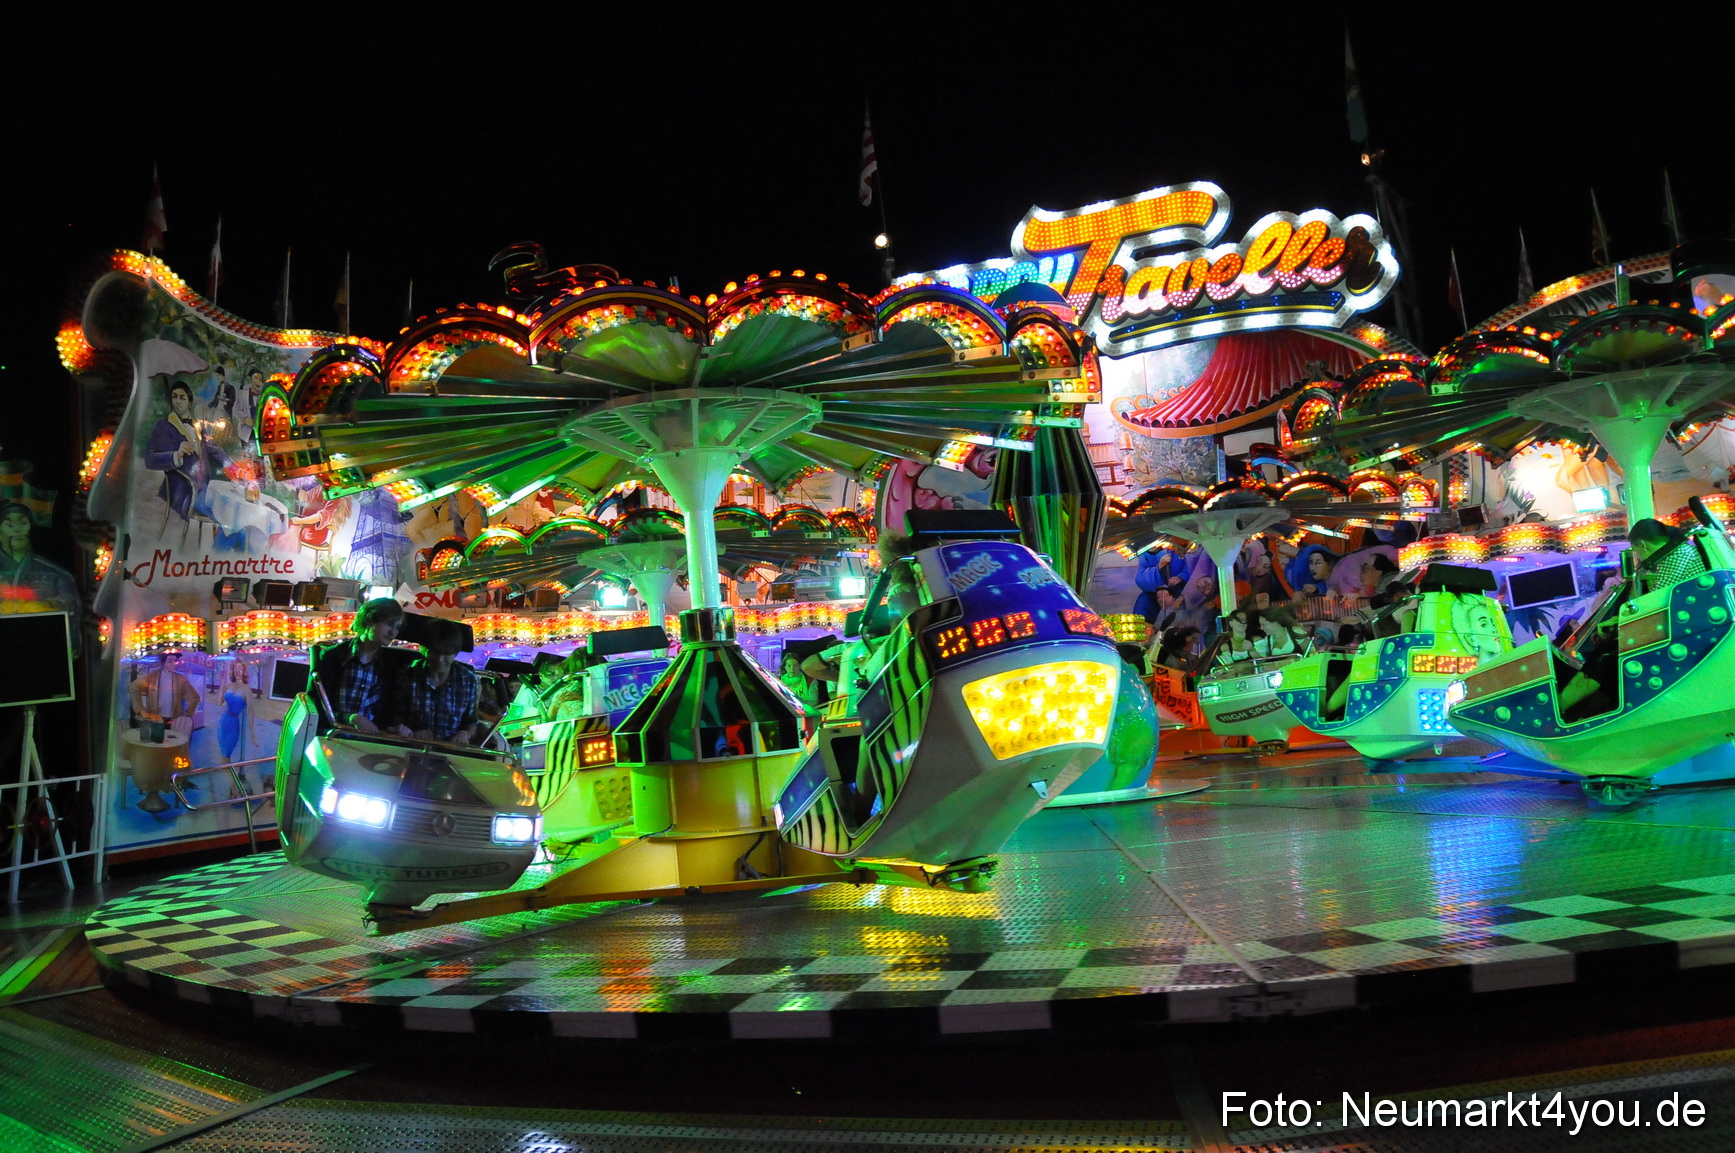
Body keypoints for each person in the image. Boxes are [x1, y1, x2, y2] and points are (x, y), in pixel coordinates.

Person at [1559, 519, 1710, 714]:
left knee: (1608, 656)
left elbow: (1654, 605)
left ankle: (1563, 707)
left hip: (1686, 629)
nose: (1638, 556)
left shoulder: (1676, 557)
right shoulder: (1681, 552)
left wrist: (1616, 622)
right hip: (1686, 622)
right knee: (1610, 654)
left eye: (1636, 551)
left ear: (1642, 545)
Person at [312, 597, 405, 731]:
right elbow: (317, 704)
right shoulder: (334, 656)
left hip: (369, 739)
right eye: (389, 624)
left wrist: (390, 727)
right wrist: (349, 718)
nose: (393, 632)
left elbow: (387, 710)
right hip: (333, 734)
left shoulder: (390, 665)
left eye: (397, 627)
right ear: (369, 621)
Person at [144, 379, 231, 522]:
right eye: (174, 396)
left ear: (189, 402)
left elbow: (216, 451)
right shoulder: (162, 426)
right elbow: (149, 459)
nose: (177, 401)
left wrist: (235, 468)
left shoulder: (198, 427)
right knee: (226, 517)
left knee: (229, 513)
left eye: (182, 398)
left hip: (204, 490)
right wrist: (175, 455)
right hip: (183, 491)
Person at [395, 618, 481, 744]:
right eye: (435, 652)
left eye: (446, 654)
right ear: (424, 649)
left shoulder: (468, 680)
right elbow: (396, 716)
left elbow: (471, 723)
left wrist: (464, 734)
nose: (440, 659)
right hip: (413, 745)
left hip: (450, 749)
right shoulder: (408, 675)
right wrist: (408, 732)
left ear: (455, 653)